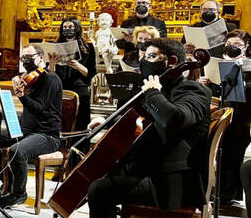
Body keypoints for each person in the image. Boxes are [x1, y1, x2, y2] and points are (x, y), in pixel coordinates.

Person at [87, 38, 211, 218]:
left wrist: (153, 92)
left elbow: (174, 120)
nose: (144, 61)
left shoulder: (193, 91)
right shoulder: (162, 88)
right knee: (103, 174)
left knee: (99, 190)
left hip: (171, 181)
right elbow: (145, 121)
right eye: (143, 56)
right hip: (149, 167)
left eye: (151, 56)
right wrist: (110, 123)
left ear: (173, 62)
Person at [0, 44, 63, 208]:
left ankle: (19, 194)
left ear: (40, 57)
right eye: (23, 58)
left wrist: (22, 96)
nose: (25, 61)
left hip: (47, 135)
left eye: (29, 57)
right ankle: (7, 179)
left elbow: (39, 108)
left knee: (16, 151)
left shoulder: (50, 78)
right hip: (26, 130)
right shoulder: (30, 78)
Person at [47, 17, 96, 147]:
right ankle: (58, 148)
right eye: (65, 28)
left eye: (70, 27)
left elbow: (91, 73)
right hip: (60, 87)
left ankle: (79, 151)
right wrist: (52, 64)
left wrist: (77, 66)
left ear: (77, 28)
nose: (67, 30)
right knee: (59, 120)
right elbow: (50, 74)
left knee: (80, 122)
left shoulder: (88, 47)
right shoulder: (55, 46)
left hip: (80, 88)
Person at [216, 30, 250, 206]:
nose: (233, 48)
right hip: (220, 114)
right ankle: (218, 191)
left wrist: (243, 81)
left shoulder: (249, 67)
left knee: (233, 157)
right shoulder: (219, 62)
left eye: (237, 45)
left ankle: (231, 194)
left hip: (240, 119)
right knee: (219, 155)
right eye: (229, 45)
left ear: (246, 47)